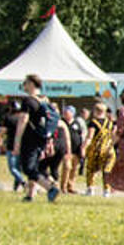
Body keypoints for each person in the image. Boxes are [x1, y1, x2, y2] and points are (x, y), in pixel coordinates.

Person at [9, 75, 60, 203]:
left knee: (28, 168)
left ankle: (50, 188)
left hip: (30, 138)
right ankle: (30, 195)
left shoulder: (28, 101)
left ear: (31, 84)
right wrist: (49, 142)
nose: (24, 86)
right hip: (41, 138)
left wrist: (17, 142)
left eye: (25, 83)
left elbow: (23, 121)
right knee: (35, 166)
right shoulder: (44, 100)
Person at [82, 102, 116, 196]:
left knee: (91, 169)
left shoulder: (93, 123)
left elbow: (89, 137)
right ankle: (106, 190)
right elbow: (114, 136)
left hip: (96, 150)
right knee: (107, 170)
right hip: (109, 150)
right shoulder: (110, 123)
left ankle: (90, 189)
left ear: (95, 111)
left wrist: (83, 147)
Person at [58, 105, 84, 194]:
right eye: (65, 112)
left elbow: (80, 135)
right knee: (67, 167)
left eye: (68, 112)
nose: (65, 114)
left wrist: (82, 148)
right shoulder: (61, 122)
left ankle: (70, 186)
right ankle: (63, 187)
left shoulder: (76, 123)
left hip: (76, 150)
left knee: (74, 169)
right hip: (65, 150)